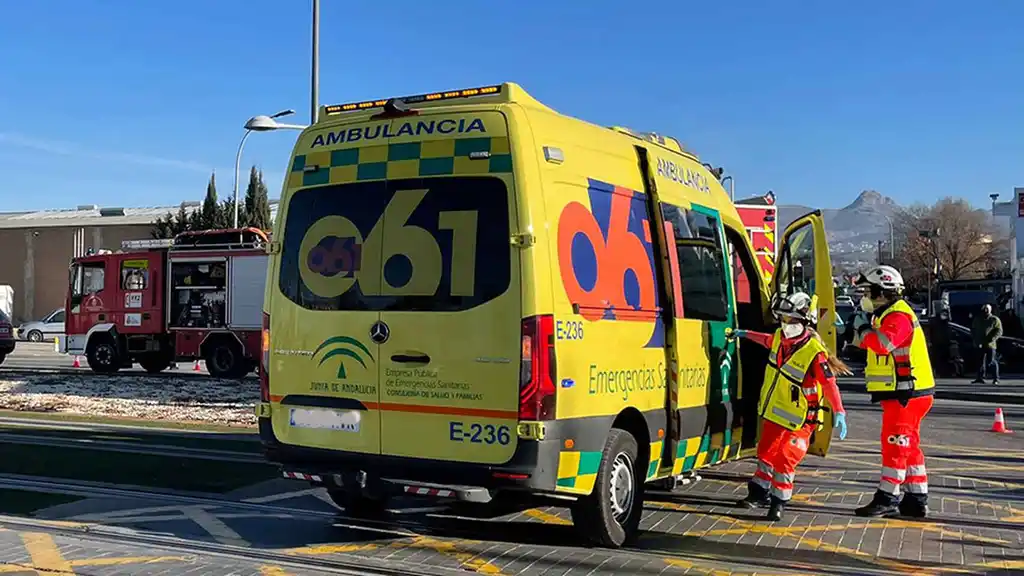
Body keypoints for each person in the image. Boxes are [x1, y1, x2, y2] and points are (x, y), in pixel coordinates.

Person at [727, 291, 850, 522]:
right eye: (783, 319)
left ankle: (778, 502)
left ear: (804, 322)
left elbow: (829, 385)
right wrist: (744, 334)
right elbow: (764, 339)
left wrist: (839, 412)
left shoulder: (814, 353)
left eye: (791, 320)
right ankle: (758, 492)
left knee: (785, 457)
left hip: (801, 418)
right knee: (765, 453)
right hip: (775, 412)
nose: (786, 324)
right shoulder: (779, 339)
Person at [851, 265, 935, 518]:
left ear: (881, 291)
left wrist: (865, 330)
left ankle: (887, 496)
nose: (864, 297)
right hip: (906, 393)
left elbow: (882, 344)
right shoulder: (887, 314)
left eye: (867, 291)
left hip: (906, 394)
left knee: (895, 445)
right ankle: (916, 498)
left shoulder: (897, 316)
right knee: (909, 446)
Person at [971, 304, 1002, 385]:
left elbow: (999, 331)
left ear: (990, 310)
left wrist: (993, 338)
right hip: (979, 343)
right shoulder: (978, 319)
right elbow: (973, 329)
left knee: (991, 361)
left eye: (987, 309)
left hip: (990, 344)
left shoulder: (994, 319)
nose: (985, 311)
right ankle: (979, 378)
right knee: (980, 361)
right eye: (984, 309)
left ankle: (996, 378)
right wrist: (975, 339)